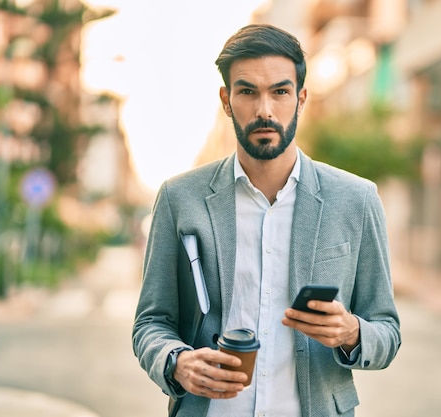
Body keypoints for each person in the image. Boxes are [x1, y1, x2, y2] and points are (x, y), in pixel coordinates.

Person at [132, 23, 401, 417]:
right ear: (226, 100)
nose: (264, 110)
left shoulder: (356, 200)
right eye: (247, 92)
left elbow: (387, 332)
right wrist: (176, 362)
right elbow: (151, 322)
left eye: (280, 91)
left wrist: (351, 332)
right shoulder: (179, 198)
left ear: (301, 98)